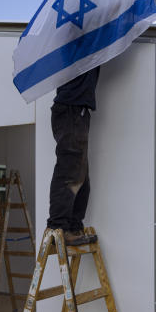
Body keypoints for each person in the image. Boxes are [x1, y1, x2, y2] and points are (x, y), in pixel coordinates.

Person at [47, 68, 99, 246]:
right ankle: (59, 228)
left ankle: (74, 228)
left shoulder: (85, 43)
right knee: (69, 172)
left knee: (80, 175)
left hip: (76, 110)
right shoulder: (77, 40)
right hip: (71, 109)